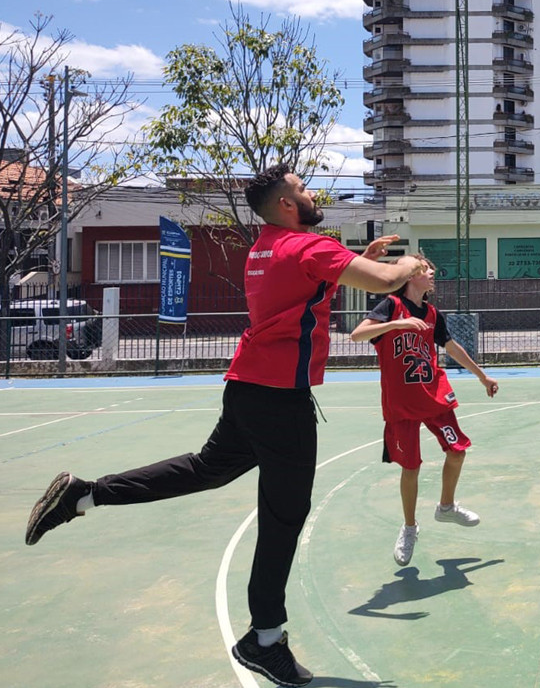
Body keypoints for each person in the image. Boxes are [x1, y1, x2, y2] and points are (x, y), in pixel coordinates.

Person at [24, 165, 429, 687]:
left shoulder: (265, 248)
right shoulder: (308, 247)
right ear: (286, 204)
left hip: (248, 386)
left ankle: (84, 495)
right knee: (283, 515)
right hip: (279, 399)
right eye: (302, 189)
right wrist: (408, 264)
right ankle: (264, 639)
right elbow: (384, 281)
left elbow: (305, 293)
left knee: (206, 469)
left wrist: (357, 262)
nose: (310, 194)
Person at [350, 255, 499, 567]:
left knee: (457, 450)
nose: (432, 273)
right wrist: (396, 324)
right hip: (401, 403)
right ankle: (409, 528)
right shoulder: (390, 306)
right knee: (411, 467)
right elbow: (357, 334)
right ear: (410, 276)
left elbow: (451, 346)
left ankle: (446, 506)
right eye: (426, 270)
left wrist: (481, 375)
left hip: (432, 395)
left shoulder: (432, 313)